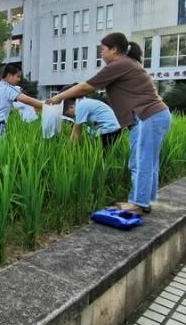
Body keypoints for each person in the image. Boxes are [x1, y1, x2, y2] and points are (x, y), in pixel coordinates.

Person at [47, 32, 171, 214]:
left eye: (103, 50)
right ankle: (145, 199)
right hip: (154, 115)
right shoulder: (129, 64)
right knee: (148, 160)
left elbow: (86, 87)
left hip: (148, 116)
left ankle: (138, 203)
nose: (101, 54)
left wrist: (58, 97)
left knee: (140, 160)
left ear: (114, 50)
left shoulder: (119, 64)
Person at [0, 63, 43, 136]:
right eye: (17, 76)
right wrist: (46, 106)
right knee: (0, 147)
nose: (19, 79)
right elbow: (28, 100)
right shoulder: (9, 88)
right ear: (9, 75)